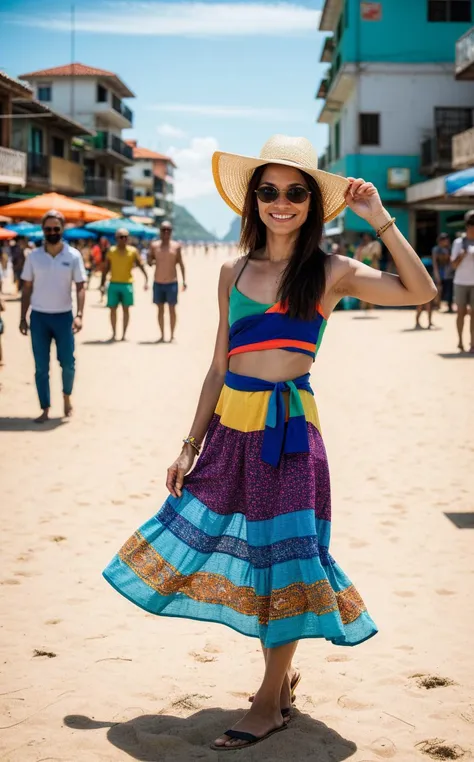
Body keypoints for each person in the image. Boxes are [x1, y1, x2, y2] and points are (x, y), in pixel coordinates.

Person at [103, 135, 436, 751]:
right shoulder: (232, 271)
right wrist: (188, 445)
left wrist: (380, 219)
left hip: (288, 437)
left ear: (311, 203)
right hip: (231, 433)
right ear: (253, 200)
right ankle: (279, 687)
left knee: (287, 558)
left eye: (295, 192)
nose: (281, 202)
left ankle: (266, 701)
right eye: (269, 191)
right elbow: (216, 366)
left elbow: (421, 292)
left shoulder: (330, 271)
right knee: (259, 558)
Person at [19, 210, 86, 423]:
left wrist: (79, 314)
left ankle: (67, 397)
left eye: (56, 228)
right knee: (41, 366)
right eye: (48, 229)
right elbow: (27, 288)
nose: (52, 232)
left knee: (68, 363)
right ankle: (45, 407)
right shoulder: (34, 257)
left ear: (62, 229)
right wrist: (23, 316)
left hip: (64, 317)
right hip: (39, 317)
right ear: (43, 231)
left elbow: (80, 287)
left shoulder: (73, 256)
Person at [105, 228, 148, 341]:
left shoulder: (133, 251)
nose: (123, 239)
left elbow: (140, 265)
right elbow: (106, 268)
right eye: (121, 237)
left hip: (127, 284)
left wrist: (146, 278)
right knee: (113, 309)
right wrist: (101, 283)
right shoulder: (111, 251)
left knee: (126, 310)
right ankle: (114, 333)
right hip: (113, 283)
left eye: (125, 237)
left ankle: (123, 334)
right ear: (116, 238)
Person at [147, 221, 186, 342]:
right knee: (160, 310)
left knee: (172, 309)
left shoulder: (176, 246)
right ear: (160, 231)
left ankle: (172, 335)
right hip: (158, 282)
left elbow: (181, 264)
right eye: (163, 229)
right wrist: (150, 260)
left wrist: (184, 281)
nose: (166, 232)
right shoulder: (154, 246)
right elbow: (149, 261)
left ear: (171, 231)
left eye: (168, 229)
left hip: (172, 282)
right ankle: (162, 335)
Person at [451, 210, 474, 352]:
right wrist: (462, 255)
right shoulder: (459, 242)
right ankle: (460, 341)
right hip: (460, 282)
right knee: (461, 313)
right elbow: (453, 265)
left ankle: (473, 344)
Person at [354, 232, 382, 309]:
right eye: (363, 236)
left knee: (371, 288)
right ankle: (363, 307)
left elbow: (375, 254)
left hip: (372, 268)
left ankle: (371, 307)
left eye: (366, 235)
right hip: (362, 269)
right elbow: (356, 257)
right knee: (363, 289)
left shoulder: (375, 244)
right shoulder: (360, 247)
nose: (364, 237)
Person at [432, 233, 454, 313]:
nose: (447, 241)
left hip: (450, 273)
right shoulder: (436, 249)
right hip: (440, 273)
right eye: (445, 240)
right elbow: (435, 263)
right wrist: (436, 274)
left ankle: (449, 307)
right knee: (438, 290)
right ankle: (437, 305)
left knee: (450, 290)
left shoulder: (450, 249)